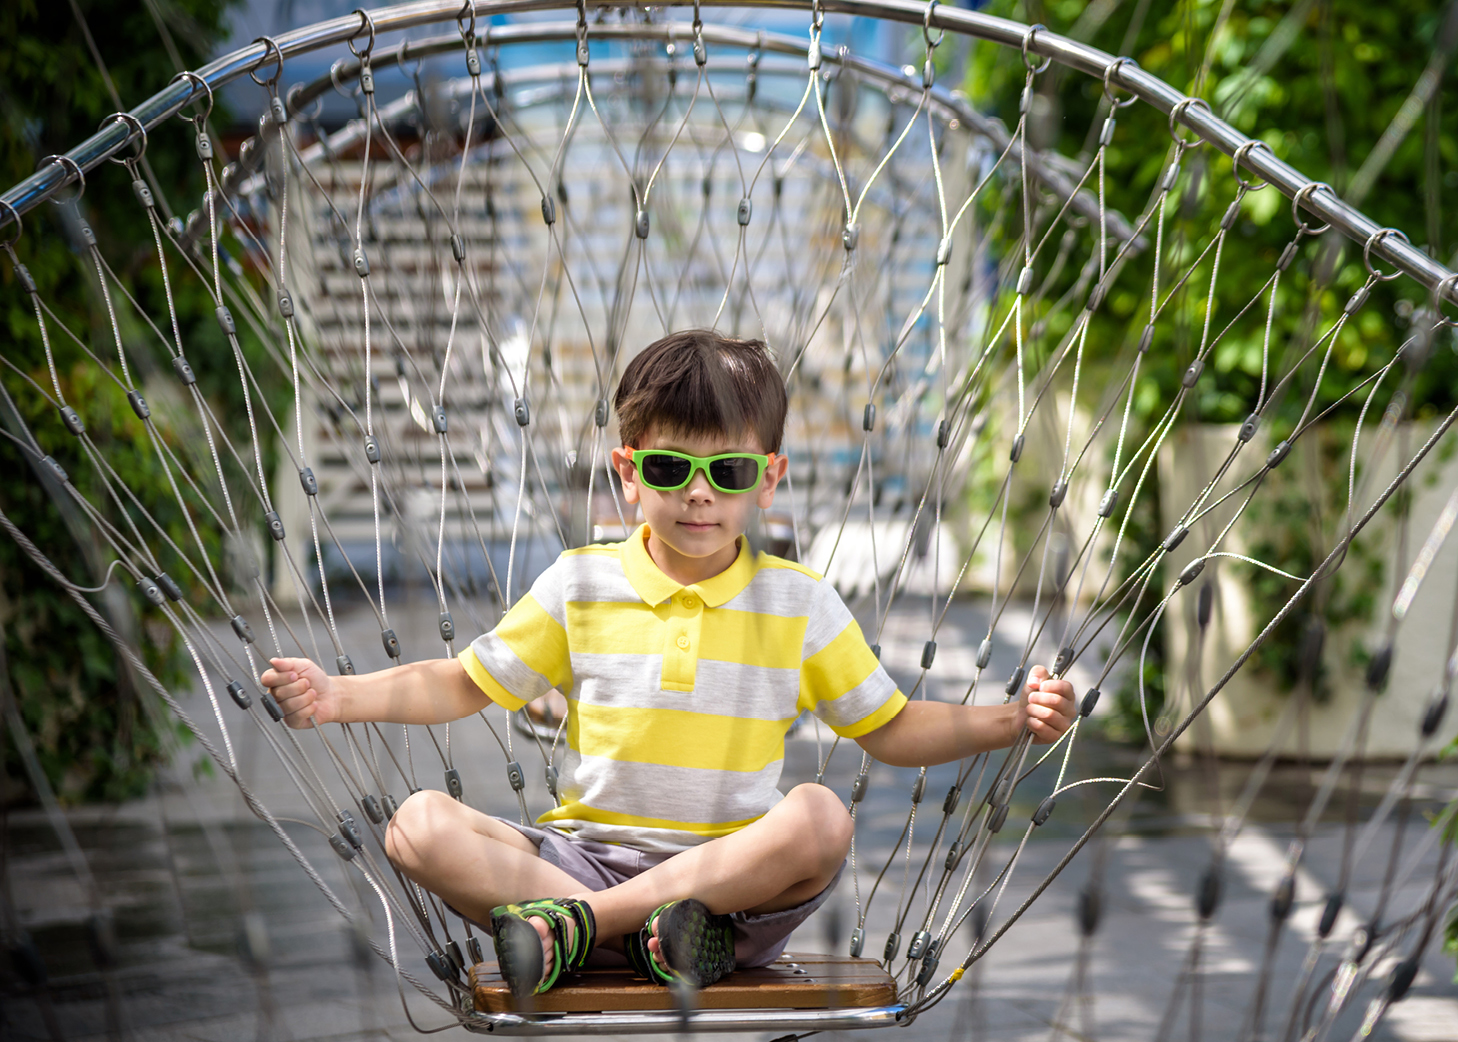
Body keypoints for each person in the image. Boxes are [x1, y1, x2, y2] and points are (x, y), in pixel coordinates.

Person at [261, 329, 1077, 1001]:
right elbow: (462, 682)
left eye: (727, 471)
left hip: (729, 888)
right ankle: (631, 936)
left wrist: (1011, 721)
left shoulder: (798, 603)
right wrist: (337, 694)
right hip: (584, 858)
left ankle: (576, 934)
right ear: (628, 472)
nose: (698, 495)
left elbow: (893, 729)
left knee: (821, 817)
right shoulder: (581, 583)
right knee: (415, 825)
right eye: (668, 468)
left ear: (767, 481)